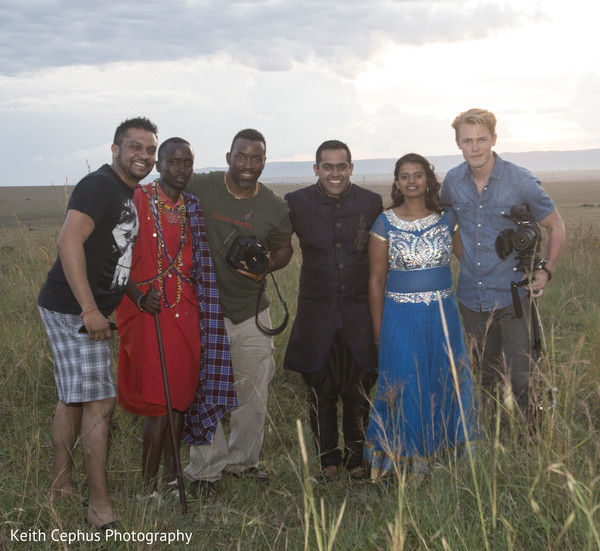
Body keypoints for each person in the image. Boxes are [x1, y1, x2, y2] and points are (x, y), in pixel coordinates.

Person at [37, 117, 158, 528]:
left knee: (73, 398)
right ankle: (99, 508)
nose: (143, 155)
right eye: (135, 147)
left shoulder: (128, 192)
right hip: (73, 309)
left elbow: (112, 258)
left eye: (149, 149)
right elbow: (69, 241)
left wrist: (136, 295)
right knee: (100, 402)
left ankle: (60, 486)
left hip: (80, 307)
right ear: (115, 150)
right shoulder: (100, 185)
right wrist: (90, 311)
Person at [115, 138, 237, 494]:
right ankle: (148, 487)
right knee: (159, 402)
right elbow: (115, 258)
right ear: (159, 164)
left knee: (180, 396)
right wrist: (139, 298)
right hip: (148, 313)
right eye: (174, 163)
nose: (181, 170)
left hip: (186, 311)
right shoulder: (137, 199)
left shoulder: (192, 207)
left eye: (187, 163)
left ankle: (173, 476)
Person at [182, 129, 293, 499]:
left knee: (253, 393)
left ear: (264, 161)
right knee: (206, 392)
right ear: (229, 156)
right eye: (241, 157)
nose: (248, 165)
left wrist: (266, 267)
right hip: (205, 310)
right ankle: (204, 471)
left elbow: (284, 250)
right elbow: (165, 190)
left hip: (251, 312)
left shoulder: (274, 207)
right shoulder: (202, 185)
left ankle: (244, 463)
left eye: (256, 158)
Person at [440, 108, 566, 420]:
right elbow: (449, 226)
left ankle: (531, 440)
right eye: (467, 140)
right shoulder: (453, 181)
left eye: (481, 139)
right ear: (458, 143)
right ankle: (495, 440)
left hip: (515, 297)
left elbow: (556, 226)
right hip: (470, 297)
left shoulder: (520, 181)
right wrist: (469, 260)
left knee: (522, 377)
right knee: (484, 375)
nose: (475, 147)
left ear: (494, 139)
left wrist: (545, 270)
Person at [364, 153, 479, 480]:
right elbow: (375, 280)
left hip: (443, 317)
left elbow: (470, 263)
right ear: (397, 182)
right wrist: (378, 331)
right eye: (404, 175)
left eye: (417, 174)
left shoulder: (447, 219)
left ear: (428, 179)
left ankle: (443, 458)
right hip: (399, 318)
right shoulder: (384, 223)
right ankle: (403, 463)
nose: (411, 180)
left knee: (444, 380)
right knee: (406, 384)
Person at [284, 140, 381, 482]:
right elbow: (277, 242)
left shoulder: (371, 203)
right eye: (328, 167)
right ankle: (328, 462)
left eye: (342, 166)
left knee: (358, 390)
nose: (335, 173)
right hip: (316, 312)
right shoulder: (296, 203)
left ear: (351, 168)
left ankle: (357, 460)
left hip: (358, 311)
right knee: (319, 391)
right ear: (316, 169)